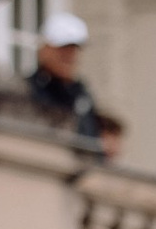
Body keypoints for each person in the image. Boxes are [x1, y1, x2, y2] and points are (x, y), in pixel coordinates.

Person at [26, 11, 118, 156]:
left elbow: (90, 140)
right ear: (44, 50)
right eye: (63, 49)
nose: (69, 56)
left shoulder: (81, 95)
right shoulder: (28, 89)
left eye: (74, 50)